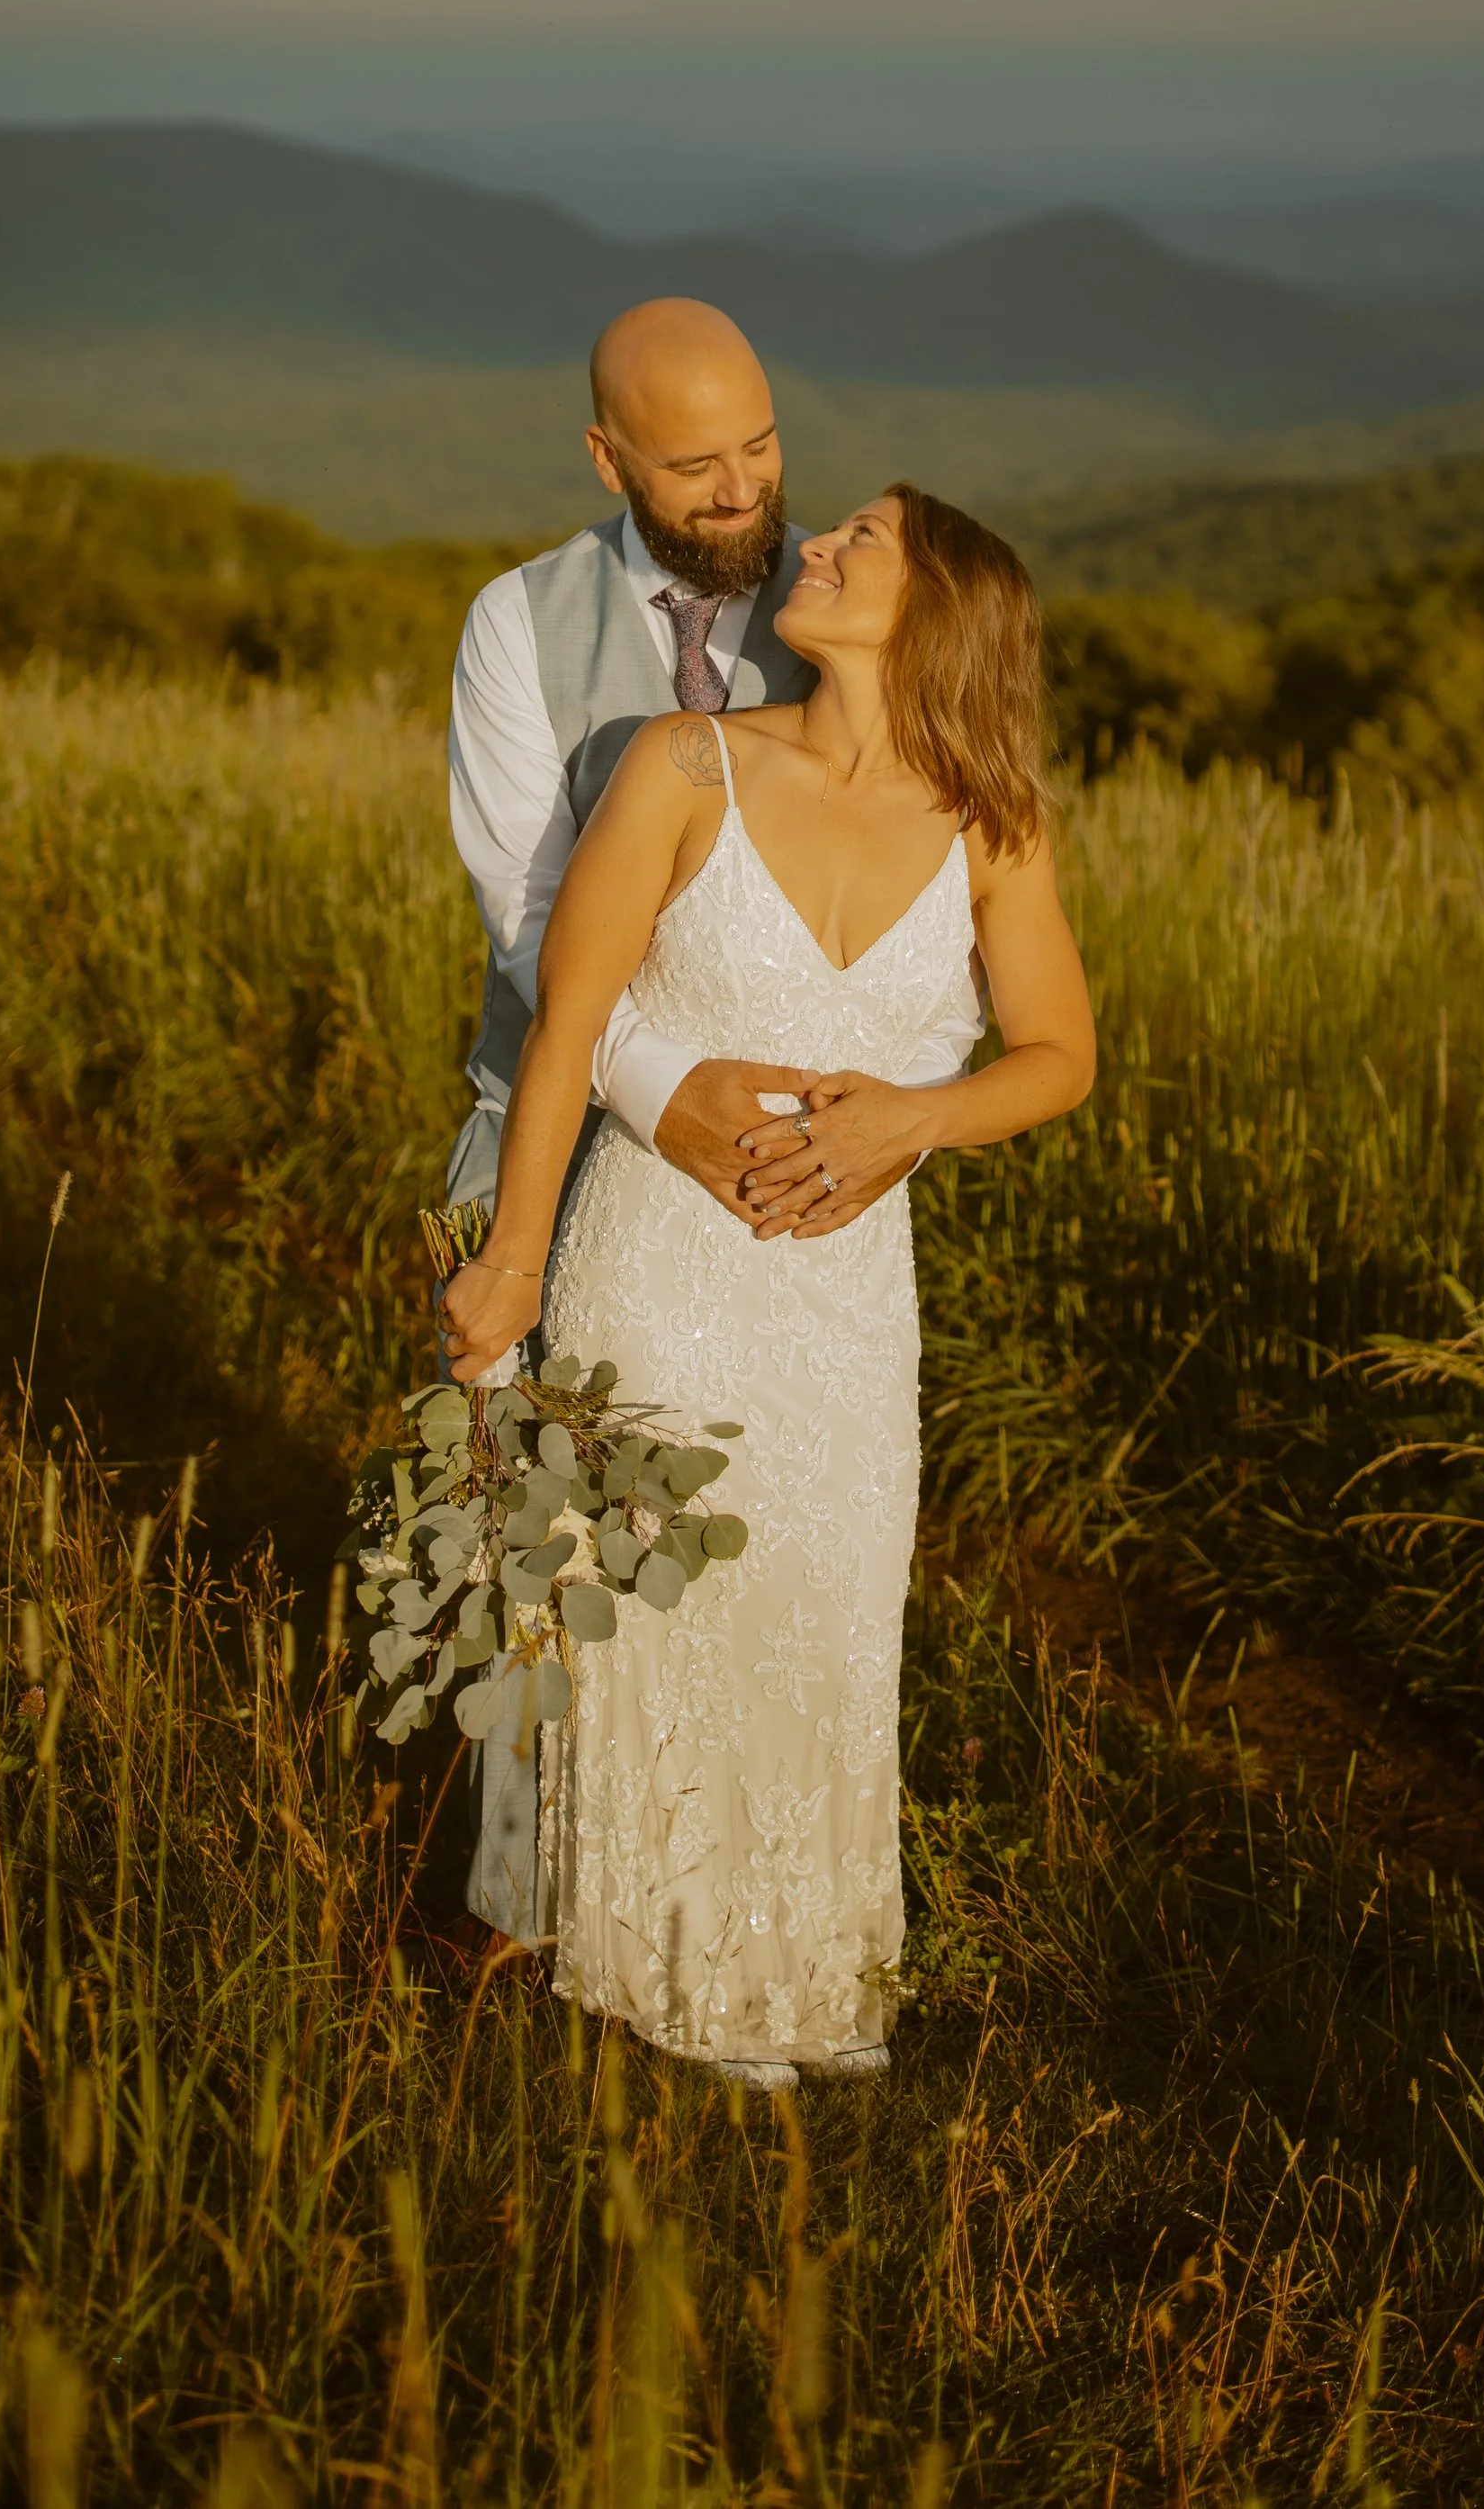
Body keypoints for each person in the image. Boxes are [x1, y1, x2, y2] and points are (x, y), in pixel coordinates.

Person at [443, 482, 1095, 2088]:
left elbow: (1062, 1057)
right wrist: (513, 1268)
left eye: (865, 539)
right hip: (658, 1263)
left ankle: (799, 1977)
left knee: (819, 1611)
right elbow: (568, 1030)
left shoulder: (992, 824)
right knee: (670, 1615)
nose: (820, 545)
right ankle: (650, 1969)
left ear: (941, 608)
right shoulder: (687, 765)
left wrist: (920, 1118)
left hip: (850, 1308)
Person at [445, 299, 982, 1936]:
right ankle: (538, 1928)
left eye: (764, 447)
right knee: (536, 1557)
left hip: (791, 1196)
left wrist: (894, 1109)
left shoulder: (830, 607)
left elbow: (930, 902)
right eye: (699, 466)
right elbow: (533, 923)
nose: (752, 495)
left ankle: (734, 1918)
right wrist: (660, 1092)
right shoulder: (516, 630)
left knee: (760, 1578)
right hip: (561, 1120)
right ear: (610, 458)